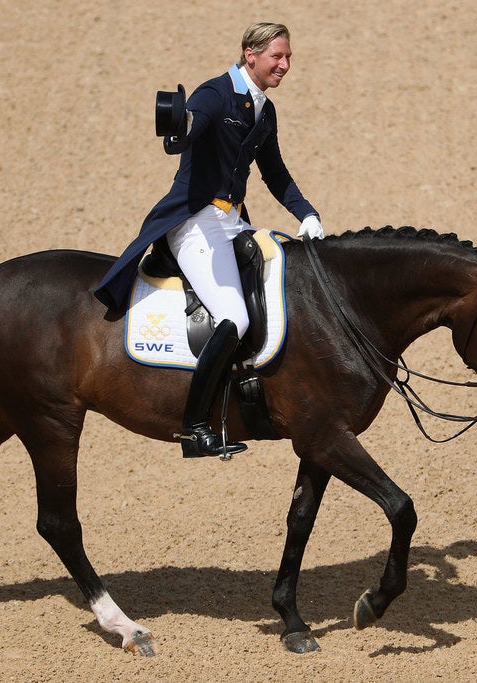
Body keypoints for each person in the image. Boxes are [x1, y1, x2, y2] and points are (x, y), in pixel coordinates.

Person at [94, 22, 324, 458]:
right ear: (250, 54)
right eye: (278, 56)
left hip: (232, 223)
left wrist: (307, 214)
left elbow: (274, 173)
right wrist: (181, 125)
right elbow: (191, 127)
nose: (286, 65)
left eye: (289, 57)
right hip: (196, 222)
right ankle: (195, 426)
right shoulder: (214, 94)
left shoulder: (264, 110)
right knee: (234, 317)